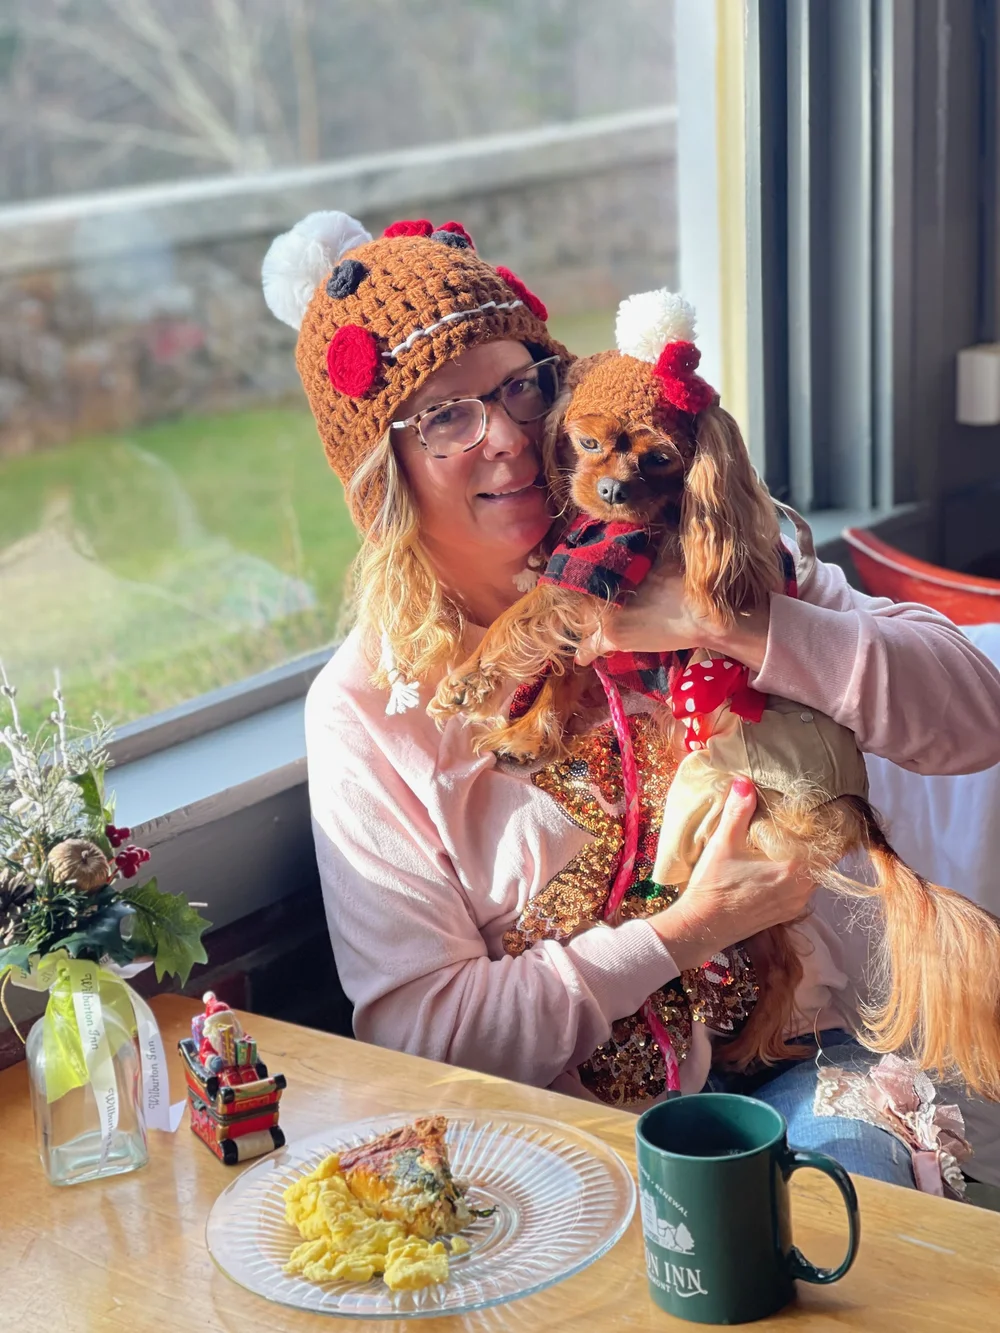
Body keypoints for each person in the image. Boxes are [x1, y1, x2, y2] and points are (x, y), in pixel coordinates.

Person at [261, 210, 1000, 1190]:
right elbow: (420, 1032)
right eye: (444, 416)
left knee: (852, 1214)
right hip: (576, 1134)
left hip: (810, 1063)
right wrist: (684, 932)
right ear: (382, 475)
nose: (508, 438)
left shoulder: (686, 530)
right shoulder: (369, 709)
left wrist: (730, 622)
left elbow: (975, 715)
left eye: (520, 385)